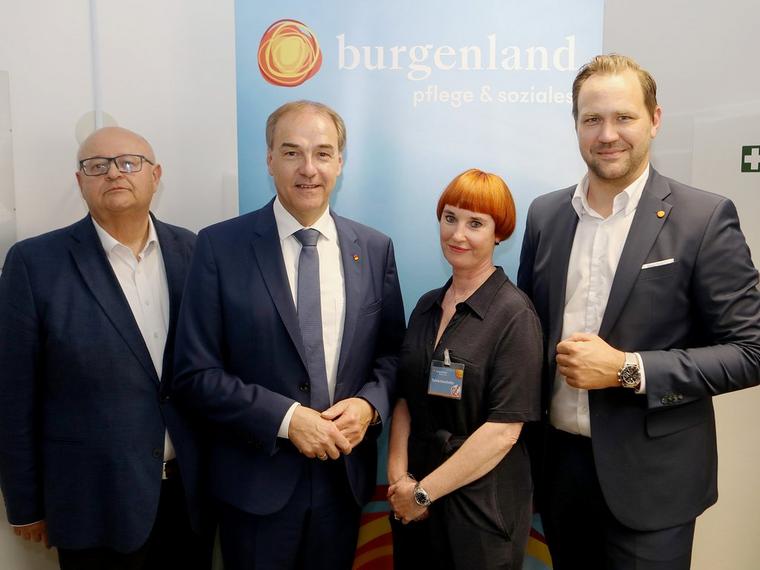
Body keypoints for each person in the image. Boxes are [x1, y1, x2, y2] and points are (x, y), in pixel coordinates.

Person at [517, 54, 760, 569]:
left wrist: (628, 369)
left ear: (654, 119)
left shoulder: (703, 218)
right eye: (592, 119)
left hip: (653, 484)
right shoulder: (545, 215)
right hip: (559, 475)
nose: (607, 134)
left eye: (624, 117)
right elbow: (528, 336)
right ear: (576, 125)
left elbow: (751, 350)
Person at [172, 100, 406, 569]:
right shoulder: (219, 246)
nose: (308, 169)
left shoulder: (373, 248)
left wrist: (368, 406)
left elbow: (394, 355)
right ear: (269, 159)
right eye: (292, 152)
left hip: (342, 484)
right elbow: (194, 374)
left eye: (323, 153)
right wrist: (286, 419)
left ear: (340, 162)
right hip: (254, 487)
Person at [0, 127, 210, 569]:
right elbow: (13, 394)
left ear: (156, 176)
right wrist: (24, 502)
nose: (114, 173)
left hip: (189, 499)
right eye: (97, 166)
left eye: (129, 162)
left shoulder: (194, 250)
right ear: (80, 182)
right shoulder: (34, 263)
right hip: (93, 502)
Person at [387, 168, 542, 570]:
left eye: (475, 223)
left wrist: (424, 493)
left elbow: (504, 432)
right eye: (450, 218)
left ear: (499, 233)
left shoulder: (514, 315)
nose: (457, 234)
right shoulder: (426, 306)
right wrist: (399, 479)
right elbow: (405, 397)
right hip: (414, 500)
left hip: (480, 507)